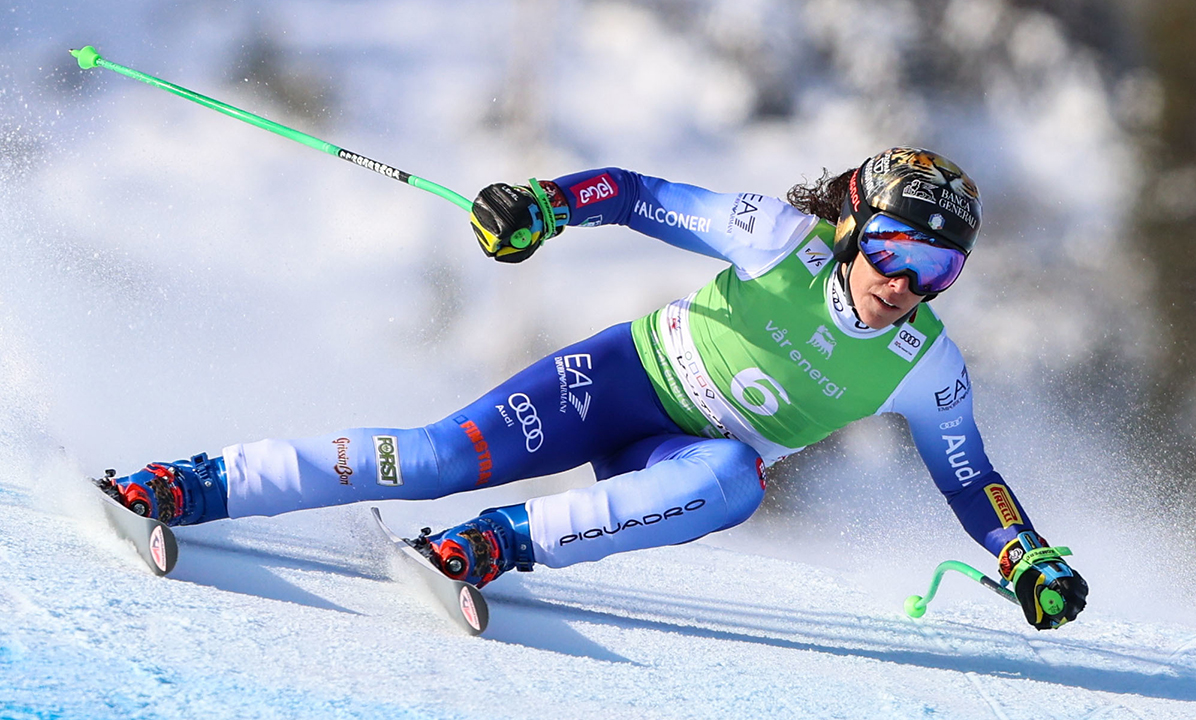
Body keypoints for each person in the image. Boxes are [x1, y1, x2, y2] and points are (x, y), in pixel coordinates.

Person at [101, 147, 1087, 630]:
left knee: (733, 483)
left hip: (681, 458)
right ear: (847, 227)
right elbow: (625, 193)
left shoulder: (925, 364)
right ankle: (187, 484)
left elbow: (970, 481)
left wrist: (1026, 554)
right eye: (893, 251)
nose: (904, 285)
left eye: (938, 271)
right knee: (437, 458)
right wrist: (541, 208)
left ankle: (491, 548)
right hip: (619, 381)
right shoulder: (774, 237)